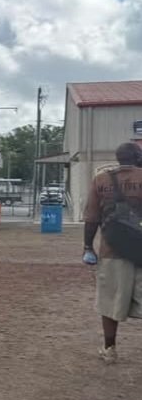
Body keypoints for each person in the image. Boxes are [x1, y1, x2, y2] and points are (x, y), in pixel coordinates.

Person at [84, 142, 142, 364]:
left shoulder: (101, 180)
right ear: (137, 157)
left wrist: (88, 247)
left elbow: (91, 219)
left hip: (113, 250)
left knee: (109, 302)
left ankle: (110, 349)